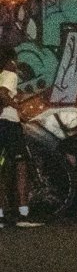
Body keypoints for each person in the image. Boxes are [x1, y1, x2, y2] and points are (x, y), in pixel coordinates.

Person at [0, 47, 42, 228]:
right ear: (11, 60)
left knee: (2, 171)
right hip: (9, 126)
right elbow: (2, 93)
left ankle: (1, 216)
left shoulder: (1, 74)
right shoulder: (10, 74)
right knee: (21, 167)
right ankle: (23, 215)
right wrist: (17, 106)